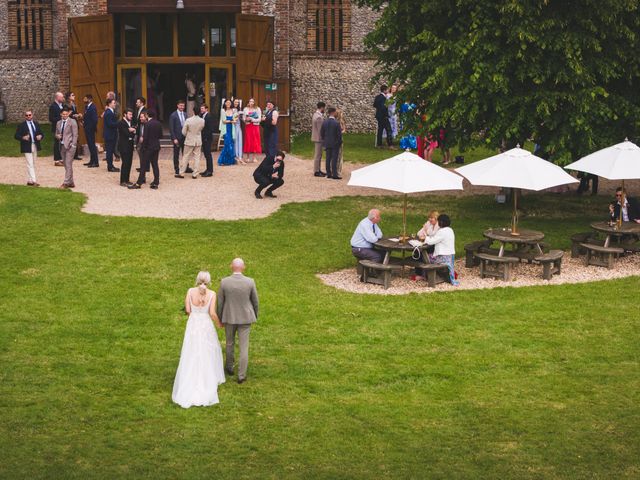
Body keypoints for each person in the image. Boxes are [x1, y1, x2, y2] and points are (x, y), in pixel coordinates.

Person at [172, 271, 225, 408]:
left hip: (193, 325)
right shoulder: (212, 294)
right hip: (206, 325)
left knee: (192, 349)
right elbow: (212, 313)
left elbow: (188, 310)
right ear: (209, 281)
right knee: (207, 349)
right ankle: (207, 377)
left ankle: (190, 375)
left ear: (197, 279)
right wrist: (219, 323)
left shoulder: (190, 291)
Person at [216, 258, 259, 384]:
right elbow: (255, 301)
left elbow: (220, 302)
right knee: (244, 347)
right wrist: (254, 315)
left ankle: (229, 367)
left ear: (231, 266)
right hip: (246, 318)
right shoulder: (250, 282)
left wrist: (220, 317)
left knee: (229, 343)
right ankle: (241, 375)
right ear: (243, 267)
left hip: (229, 317)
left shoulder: (224, 282)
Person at [422, 214, 459, 285]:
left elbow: (431, 241)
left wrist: (425, 237)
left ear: (441, 222)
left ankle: (428, 276)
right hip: (450, 257)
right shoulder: (450, 230)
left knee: (425, 257)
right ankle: (441, 274)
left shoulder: (441, 231)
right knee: (429, 255)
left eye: (438, 221)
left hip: (443, 258)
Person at [129, 110, 162, 189]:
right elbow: (161, 135)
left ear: (147, 115)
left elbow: (145, 138)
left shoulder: (147, 124)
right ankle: (156, 182)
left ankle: (138, 183)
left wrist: (143, 147)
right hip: (156, 146)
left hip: (148, 147)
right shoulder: (158, 123)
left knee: (143, 165)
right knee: (155, 165)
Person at [14, 110, 44, 187]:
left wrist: (40, 136)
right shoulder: (22, 125)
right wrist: (23, 137)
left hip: (35, 145)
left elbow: (41, 133)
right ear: (25, 116)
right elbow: (16, 136)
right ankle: (34, 181)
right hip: (27, 146)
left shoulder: (36, 124)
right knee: (30, 163)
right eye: (26, 115)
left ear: (32, 115)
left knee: (33, 163)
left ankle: (29, 180)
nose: (28, 116)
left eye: (29, 115)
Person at [177, 107, 205, 178]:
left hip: (189, 140)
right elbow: (201, 129)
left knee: (185, 156)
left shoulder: (188, 120)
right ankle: (195, 173)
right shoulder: (202, 120)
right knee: (197, 157)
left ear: (193, 111)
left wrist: (188, 135)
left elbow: (183, 132)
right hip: (198, 140)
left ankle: (182, 173)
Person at [56, 107, 78, 189]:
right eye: (63, 114)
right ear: (61, 114)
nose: (64, 115)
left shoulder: (72, 122)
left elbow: (75, 134)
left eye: (66, 114)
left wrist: (73, 145)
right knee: (66, 164)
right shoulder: (58, 123)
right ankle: (71, 182)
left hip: (70, 146)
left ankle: (65, 182)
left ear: (68, 114)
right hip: (62, 146)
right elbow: (56, 133)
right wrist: (57, 136)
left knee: (68, 163)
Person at [320, 107, 343, 180]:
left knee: (328, 159)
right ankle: (335, 174)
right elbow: (339, 135)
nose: (336, 113)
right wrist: (339, 143)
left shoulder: (325, 122)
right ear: (333, 112)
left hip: (327, 143)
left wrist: (325, 140)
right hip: (335, 144)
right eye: (335, 112)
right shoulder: (336, 123)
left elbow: (322, 133)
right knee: (334, 159)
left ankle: (328, 173)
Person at [117, 108, 136, 186]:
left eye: (132, 114)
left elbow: (133, 132)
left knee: (129, 163)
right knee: (125, 163)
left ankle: (127, 179)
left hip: (130, 146)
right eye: (129, 114)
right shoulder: (121, 123)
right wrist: (131, 131)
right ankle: (122, 181)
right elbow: (126, 133)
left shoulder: (130, 122)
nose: (131, 116)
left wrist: (132, 131)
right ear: (125, 114)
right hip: (124, 146)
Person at [169, 100, 187, 175]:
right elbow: (171, 128)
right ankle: (176, 168)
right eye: (180, 105)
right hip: (177, 137)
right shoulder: (173, 115)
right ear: (177, 105)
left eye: (183, 106)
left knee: (185, 153)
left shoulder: (185, 114)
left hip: (184, 137)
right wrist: (174, 138)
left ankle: (186, 167)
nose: (182, 107)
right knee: (176, 154)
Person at [242, 98, 262, 163]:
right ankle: (247, 157)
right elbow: (243, 118)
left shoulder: (257, 109)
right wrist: (246, 119)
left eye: (252, 101)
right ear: (248, 102)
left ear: (254, 102)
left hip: (255, 126)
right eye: (250, 101)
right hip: (248, 126)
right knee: (248, 140)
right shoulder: (245, 109)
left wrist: (252, 119)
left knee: (255, 140)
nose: (251, 103)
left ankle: (254, 157)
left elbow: (259, 118)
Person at [103, 98, 120, 172]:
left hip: (111, 134)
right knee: (109, 151)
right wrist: (119, 123)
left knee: (111, 150)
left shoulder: (110, 111)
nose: (115, 104)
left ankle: (111, 165)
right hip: (110, 135)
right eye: (113, 103)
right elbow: (110, 124)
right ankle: (110, 167)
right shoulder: (109, 112)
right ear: (109, 104)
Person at [82, 94, 99, 168]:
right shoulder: (87, 107)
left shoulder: (93, 107)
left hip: (90, 129)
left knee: (92, 145)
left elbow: (95, 120)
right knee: (90, 145)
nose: (84, 100)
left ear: (89, 99)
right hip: (87, 128)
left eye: (85, 98)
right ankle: (92, 161)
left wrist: (91, 127)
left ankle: (96, 162)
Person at [218, 99, 237, 166]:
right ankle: (222, 160)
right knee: (227, 144)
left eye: (229, 102)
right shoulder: (223, 110)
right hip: (225, 129)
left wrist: (234, 121)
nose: (228, 104)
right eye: (227, 102)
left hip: (232, 129)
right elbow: (224, 121)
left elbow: (235, 120)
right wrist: (231, 121)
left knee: (231, 144)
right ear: (225, 103)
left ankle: (230, 161)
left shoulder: (233, 110)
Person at [48, 91, 64, 165]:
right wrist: (60, 118)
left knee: (61, 143)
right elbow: (51, 118)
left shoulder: (61, 105)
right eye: (61, 97)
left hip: (62, 127)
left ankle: (61, 158)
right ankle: (57, 160)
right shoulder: (53, 106)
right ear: (57, 97)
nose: (63, 98)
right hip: (56, 127)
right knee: (57, 143)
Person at [66, 92, 83, 159]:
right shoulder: (66, 105)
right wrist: (73, 115)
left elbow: (75, 112)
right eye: (72, 95)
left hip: (75, 123)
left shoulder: (74, 104)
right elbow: (66, 113)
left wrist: (79, 115)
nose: (74, 96)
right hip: (70, 123)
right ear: (69, 97)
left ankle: (75, 154)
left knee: (76, 139)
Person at [311, 101, 326, 177]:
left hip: (316, 137)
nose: (324, 109)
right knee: (318, 155)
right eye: (324, 108)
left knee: (318, 155)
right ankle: (316, 171)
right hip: (319, 138)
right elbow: (321, 130)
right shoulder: (319, 117)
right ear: (322, 107)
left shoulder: (315, 114)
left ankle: (318, 169)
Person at [200, 104, 215, 177]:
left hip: (207, 139)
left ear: (206, 109)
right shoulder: (202, 116)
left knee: (208, 154)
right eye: (201, 108)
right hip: (204, 138)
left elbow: (210, 129)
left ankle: (210, 171)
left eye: (202, 108)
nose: (201, 110)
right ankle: (207, 169)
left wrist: (205, 138)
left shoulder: (209, 116)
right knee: (206, 154)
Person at [335, 108, 347, 178]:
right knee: (337, 154)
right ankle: (337, 169)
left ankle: (338, 169)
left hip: (339, 139)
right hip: (337, 139)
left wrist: (340, 132)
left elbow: (344, 130)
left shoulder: (341, 122)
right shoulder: (336, 121)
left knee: (339, 154)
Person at [233, 98, 244, 164]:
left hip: (238, 126)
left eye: (237, 102)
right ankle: (235, 156)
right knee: (235, 141)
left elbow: (242, 119)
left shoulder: (239, 110)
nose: (236, 103)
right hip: (233, 126)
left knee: (239, 141)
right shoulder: (232, 110)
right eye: (235, 102)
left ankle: (240, 156)